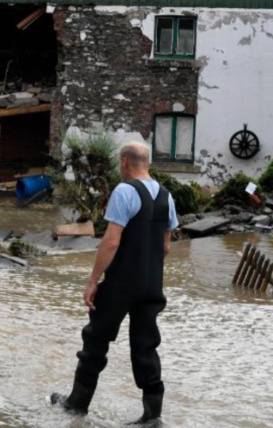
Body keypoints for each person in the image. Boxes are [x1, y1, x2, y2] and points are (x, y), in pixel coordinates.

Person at [51, 141, 179, 425]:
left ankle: (76, 404)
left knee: (96, 339)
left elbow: (110, 243)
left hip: (121, 283)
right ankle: (152, 416)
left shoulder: (124, 191)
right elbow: (166, 248)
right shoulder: (167, 197)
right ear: (147, 162)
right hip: (152, 285)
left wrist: (93, 281)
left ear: (124, 161)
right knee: (146, 345)